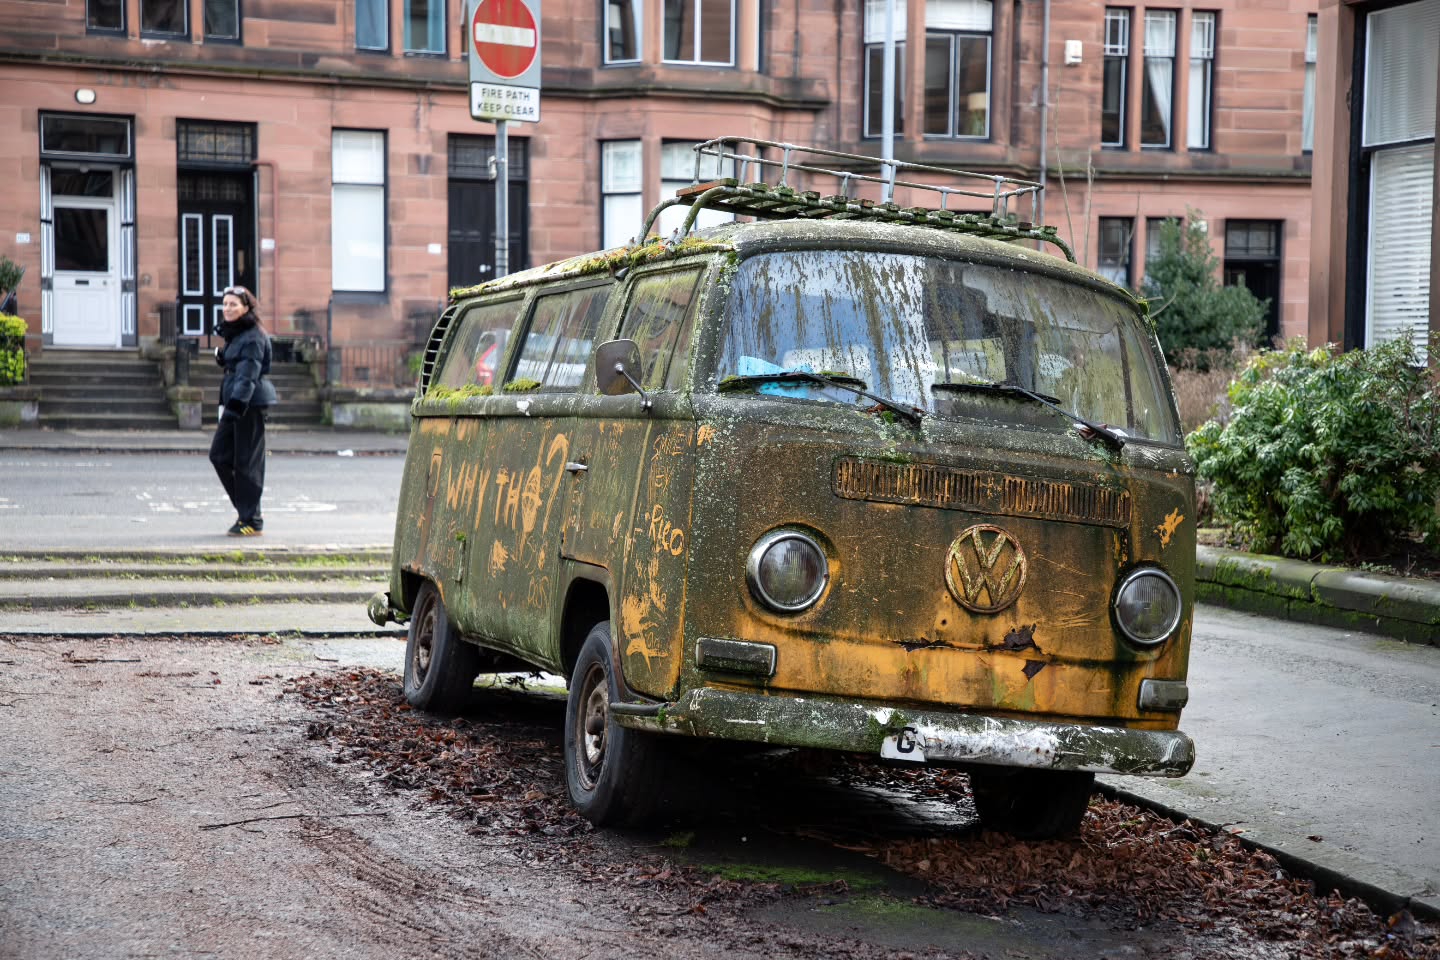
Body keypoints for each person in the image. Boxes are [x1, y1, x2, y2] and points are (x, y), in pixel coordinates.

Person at [209, 285, 277, 537]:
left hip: (246, 406)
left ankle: (251, 519)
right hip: (236, 404)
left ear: (246, 308)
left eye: (233, 304)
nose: (227, 309)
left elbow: (248, 376)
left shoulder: (253, 336)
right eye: (225, 304)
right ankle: (247, 511)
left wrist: (233, 409)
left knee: (247, 462)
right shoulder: (238, 334)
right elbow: (239, 366)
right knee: (220, 456)